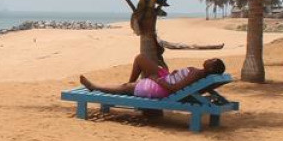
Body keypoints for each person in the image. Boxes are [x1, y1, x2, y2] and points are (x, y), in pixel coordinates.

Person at [79, 53, 225, 99]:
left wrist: (157, 80)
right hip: (166, 78)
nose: (209, 59)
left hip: (163, 85)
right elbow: (181, 82)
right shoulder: (199, 73)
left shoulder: (197, 74)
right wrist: (176, 73)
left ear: (211, 68)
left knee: (126, 87)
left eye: (212, 60)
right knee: (140, 58)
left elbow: (175, 88)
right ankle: (128, 87)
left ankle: (94, 86)